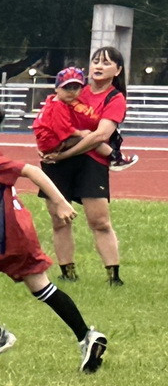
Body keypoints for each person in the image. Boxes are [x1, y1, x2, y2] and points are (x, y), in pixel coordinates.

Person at [0, 97, 107, 373]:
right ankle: (87, 336)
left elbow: (31, 171)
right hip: (19, 235)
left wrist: (60, 201)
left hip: (4, 240)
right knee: (43, 289)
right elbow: (1, 199)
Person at [38, 46, 130, 285]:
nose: (98, 66)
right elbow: (50, 117)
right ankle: (67, 273)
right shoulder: (74, 87)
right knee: (60, 220)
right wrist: (47, 146)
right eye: (96, 61)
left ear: (118, 70)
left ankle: (114, 277)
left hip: (92, 161)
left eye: (107, 63)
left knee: (99, 221)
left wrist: (64, 154)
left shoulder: (115, 98)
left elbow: (100, 136)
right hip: (60, 161)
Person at [33, 67, 136, 169]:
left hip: (46, 143)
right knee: (91, 138)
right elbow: (63, 128)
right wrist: (80, 133)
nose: (71, 92)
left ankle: (114, 156)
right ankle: (115, 157)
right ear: (57, 88)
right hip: (52, 142)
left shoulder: (51, 101)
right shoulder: (59, 106)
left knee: (92, 137)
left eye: (75, 88)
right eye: (66, 88)